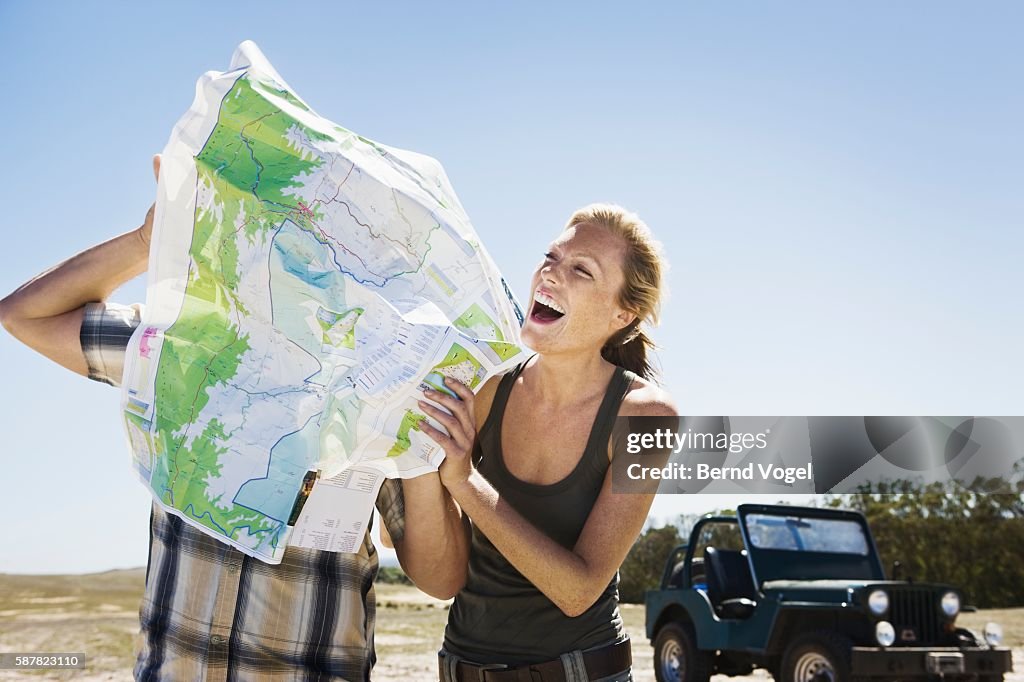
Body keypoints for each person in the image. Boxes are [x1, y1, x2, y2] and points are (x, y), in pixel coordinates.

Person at [0, 155, 470, 681]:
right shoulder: (181, 341)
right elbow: (25, 315)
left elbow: (441, 578)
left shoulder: (384, 384)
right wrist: (147, 240)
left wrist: (420, 446)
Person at [416, 204, 677, 682]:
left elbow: (579, 591)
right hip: (459, 668)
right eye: (551, 257)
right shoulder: (485, 389)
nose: (551, 273)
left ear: (623, 313)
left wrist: (465, 482)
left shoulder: (646, 417)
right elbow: (433, 568)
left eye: (581, 270)